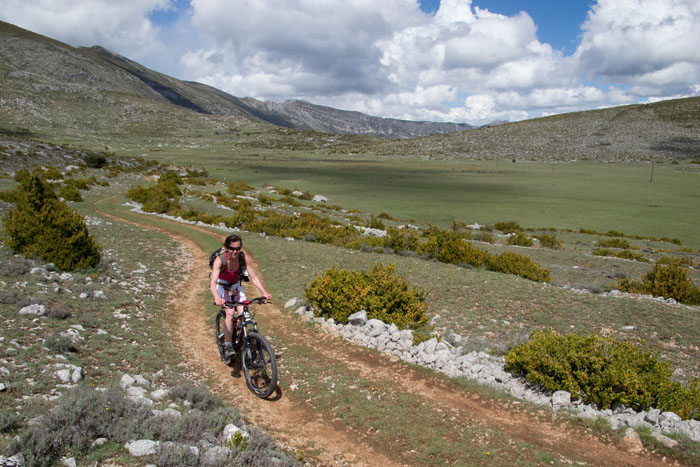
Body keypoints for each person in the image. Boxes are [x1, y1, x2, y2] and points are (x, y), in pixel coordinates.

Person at [210, 234, 271, 357]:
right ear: (227, 248)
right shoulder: (219, 260)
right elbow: (212, 282)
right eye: (232, 249)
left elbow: (253, 277)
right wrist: (217, 298)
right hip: (221, 285)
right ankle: (228, 345)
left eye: (238, 248)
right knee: (230, 313)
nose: (235, 251)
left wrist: (263, 292)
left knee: (243, 312)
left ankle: (238, 334)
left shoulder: (243, 258)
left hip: (236, 285)